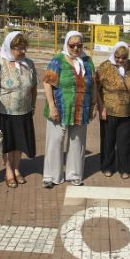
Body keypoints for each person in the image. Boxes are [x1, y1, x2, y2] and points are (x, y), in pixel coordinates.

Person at [41, 31, 98, 188]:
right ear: (66, 44)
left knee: (77, 142)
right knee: (55, 141)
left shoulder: (87, 61)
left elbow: (93, 84)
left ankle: (74, 174)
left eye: (79, 45)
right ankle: (51, 176)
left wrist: (94, 105)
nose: (75, 49)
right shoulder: (58, 60)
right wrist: (52, 106)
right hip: (59, 108)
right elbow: (47, 83)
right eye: (72, 45)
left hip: (81, 108)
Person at [0, 31, 37, 189]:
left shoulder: (29, 64)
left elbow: (34, 87)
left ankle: (17, 169)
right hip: (5, 113)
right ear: (9, 47)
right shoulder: (0, 65)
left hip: (24, 111)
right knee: (8, 144)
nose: (22, 51)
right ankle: (8, 171)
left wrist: (33, 105)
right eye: (18, 48)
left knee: (19, 143)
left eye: (24, 48)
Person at [96, 41, 130, 179]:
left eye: (124, 57)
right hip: (108, 111)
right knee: (108, 140)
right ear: (113, 54)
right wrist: (100, 107)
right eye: (117, 57)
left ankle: (124, 168)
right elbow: (96, 89)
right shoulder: (105, 66)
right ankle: (107, 166)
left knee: (125, 141)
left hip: (127, 111)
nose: (120, 60)